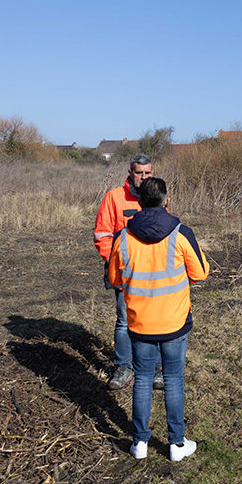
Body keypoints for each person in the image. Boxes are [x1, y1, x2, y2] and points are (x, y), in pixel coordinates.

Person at [106, 177, 209, 461]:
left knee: (142, 380)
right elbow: (200, 274)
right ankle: (176, 444)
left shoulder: (123, 237)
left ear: (138, 200)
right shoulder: (181, 233)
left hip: (139, 324)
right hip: (175, 322)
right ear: (167, 199)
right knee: (174, 379)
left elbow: (114, 278)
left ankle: (139, 443)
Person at [93, 154, 163, 390]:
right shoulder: (113, 197)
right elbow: (102, 235)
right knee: (124, 321)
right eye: (139, 173)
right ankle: (124, 367)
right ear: (130, 173)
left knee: (154, 320)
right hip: (125, 273)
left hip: (153, 273)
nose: (143, 177)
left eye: (148, 173)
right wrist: (115, 263)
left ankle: (155, 369)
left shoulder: (156, 196)